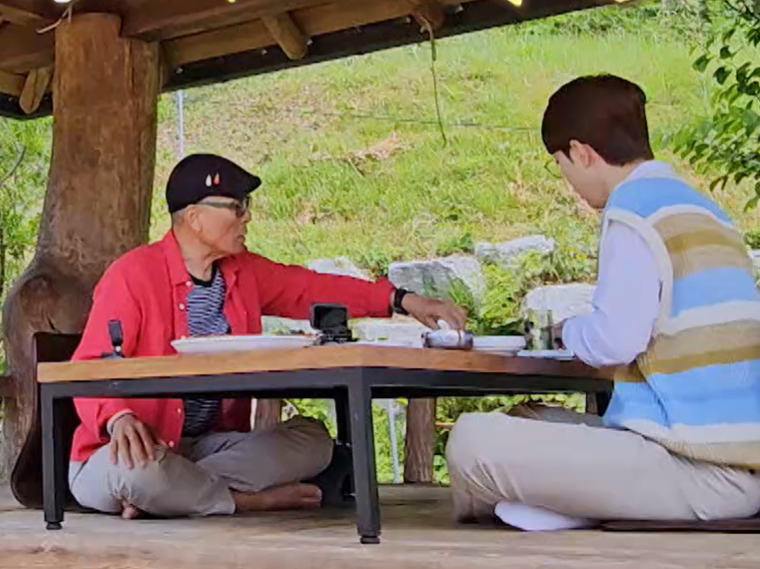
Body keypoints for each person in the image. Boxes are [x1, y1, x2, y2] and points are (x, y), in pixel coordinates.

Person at [445, 75, 760, 531]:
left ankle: (570, 505)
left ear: (581, 152)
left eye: (560, 165)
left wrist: (567, 331)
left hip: (701, 471)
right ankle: (569, 506)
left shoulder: (634, 211)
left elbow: (615, 341)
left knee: (472, 441)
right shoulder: (702, 209)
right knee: (528, 418)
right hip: (733, 466)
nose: (568, 182)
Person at [68, 153, 468, 520]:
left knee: (314, 441)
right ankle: (242, 500)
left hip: (207, 450)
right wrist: (118, 417)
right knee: (140, 474)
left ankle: (177, 494)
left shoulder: (243, 272)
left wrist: (401, 299)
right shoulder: (132, 275)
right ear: (194, 217)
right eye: (237, 207)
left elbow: (311, 287)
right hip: (123, 453)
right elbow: (87, 365)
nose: (247, 218)